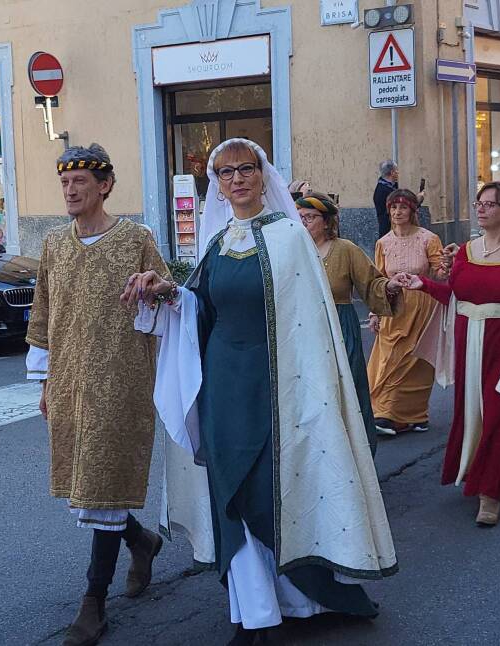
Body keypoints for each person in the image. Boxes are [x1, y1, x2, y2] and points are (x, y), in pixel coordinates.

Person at [125, 138, 397, 646]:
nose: (236, 179)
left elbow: (310, 327)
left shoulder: (289, 238)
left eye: (245, 168)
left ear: (261, 173)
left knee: (274, 489)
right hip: (223, 384)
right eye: (224, 173)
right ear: (217, 185)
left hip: (280, 385)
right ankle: (253, 611)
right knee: (230, 489)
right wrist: (167, 292)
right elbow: (198, 307)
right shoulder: (218, 242)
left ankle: (298, 600)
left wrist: (310, 398)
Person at [25, 144, 169, 646]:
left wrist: (155, 288)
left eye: (81, 182)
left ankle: (93, 603)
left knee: (104, 479)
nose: (70, 190)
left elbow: (168, 293)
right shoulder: (54, 245)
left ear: (104, 186)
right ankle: (142, 540)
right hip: (68, 381)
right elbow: (43, 312)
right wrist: (43, 379)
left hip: (122, 379)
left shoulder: (136, 239)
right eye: (65, 183)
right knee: (88, 482)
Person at [397, 181, 500, 527]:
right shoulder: (466, 252)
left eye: (490, 204)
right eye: (479, 203)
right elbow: (456, 295)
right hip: (470, 344)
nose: (480, 209)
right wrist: (424, 284)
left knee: (497, 415)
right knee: (473, 417)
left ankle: (489, 494)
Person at [296, 190, 400, 454]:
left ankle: (354, 456)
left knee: (346, 390)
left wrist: (389, 286)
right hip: (303, 330)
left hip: (340, 328)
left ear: (327, 221)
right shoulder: (292, 251)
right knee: (310, 394)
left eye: (310, 217)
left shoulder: (346, 250)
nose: (304, 222)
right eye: (299, 217)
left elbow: (372, 282)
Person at [367, 189, 444, 435]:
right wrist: (375, 313)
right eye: (393, 208)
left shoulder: (428, 239)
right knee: (389, 361)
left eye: (403, 208)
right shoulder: (383, 243)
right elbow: (378, 280)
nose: (398, 212)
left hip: (422, 307)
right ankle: (384, 412)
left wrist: (447, 267)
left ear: (413, 211)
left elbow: (440, 272)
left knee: (415, 362)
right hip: (393, 308)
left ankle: (414, 415)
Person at [373, 160, 398, 238]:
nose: (398, 173)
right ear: (392, 172)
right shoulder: (383, 190)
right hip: (388, 231)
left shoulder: (391, 186)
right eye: (396, 170)